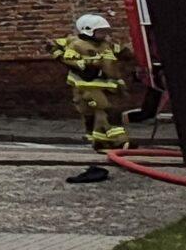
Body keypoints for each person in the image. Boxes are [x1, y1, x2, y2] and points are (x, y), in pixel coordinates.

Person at [48, 13, 130, 184]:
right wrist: (89, 66)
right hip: (86, 86)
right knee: (106, 110)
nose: (104, 35)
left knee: (97, 114)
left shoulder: (106, 44)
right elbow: (73, 63)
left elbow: (120, 53)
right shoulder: (78, 45)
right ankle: (119, 142)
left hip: (104, 85)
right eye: (100, 32)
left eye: (104, 31)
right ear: (88, 30)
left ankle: (100, 142)